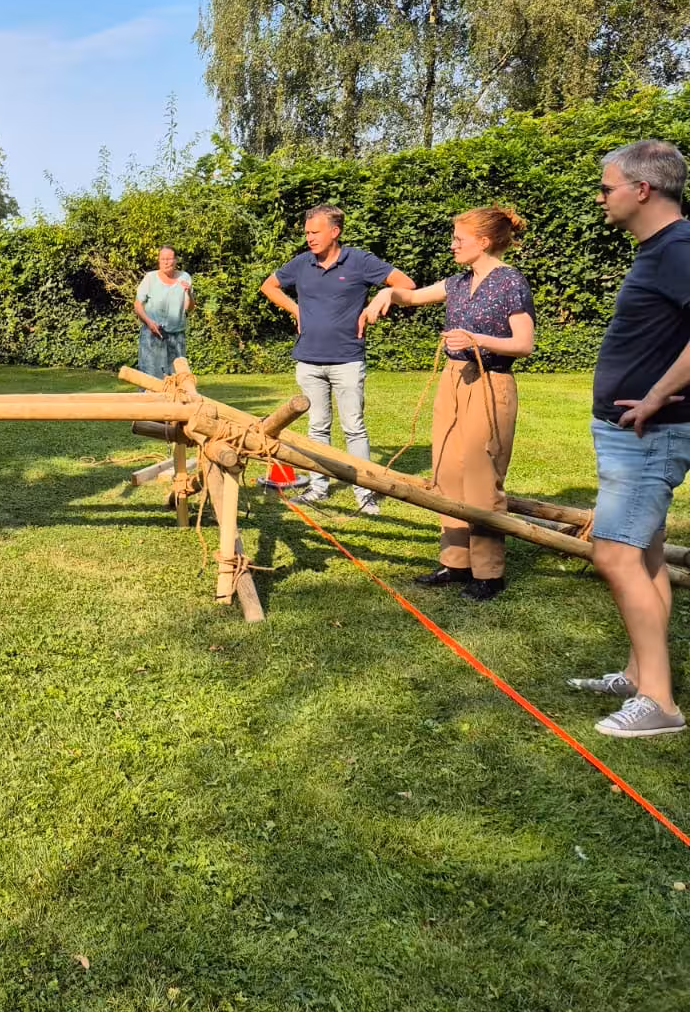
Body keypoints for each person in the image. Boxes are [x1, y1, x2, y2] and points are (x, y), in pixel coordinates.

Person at [568, 139, 690, 738]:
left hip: (650, 432)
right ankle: (642, 673)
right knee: (642, 553)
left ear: (643, 189)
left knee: (613, 551)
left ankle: (660, 704)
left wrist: (660, 393)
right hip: (633, 433)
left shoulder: (680, 248)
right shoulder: (661, 249)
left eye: (607, 186)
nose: (601, 197)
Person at [362, 206, 534, 600]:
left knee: (480, 474)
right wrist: (387, 293)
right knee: (447, 472)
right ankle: (455, 563)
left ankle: (489, 573)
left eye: (460, 238)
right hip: (453, 379)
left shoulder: (510, 282)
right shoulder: (458, 281)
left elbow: (524, 343)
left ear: (484, 241)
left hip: (490, 382)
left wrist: (478, 339)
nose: (453, 244)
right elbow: (413, 296)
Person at [260, 205, 415, 514]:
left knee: (354, 427)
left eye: (315, 232)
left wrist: (375, 304)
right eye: (306, 232)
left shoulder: (359, 261)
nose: (309, 238)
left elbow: (406, 284)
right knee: (317, 427)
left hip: (347, 358)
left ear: (335, 231)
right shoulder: (303, 263)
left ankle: (365, 493)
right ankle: (319, 487)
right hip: (308, 359)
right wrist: (296, 310)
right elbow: (269, 285)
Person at [134, 245, 193, 377]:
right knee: (150, 377)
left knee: (177, 377)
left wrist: (189, 293)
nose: (166, 262)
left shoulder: (185, 277)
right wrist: (149, 323)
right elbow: (138, 305)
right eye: (163, 259)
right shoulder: (150, 278)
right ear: (159, 261)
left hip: (177, 336)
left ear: (176, 260)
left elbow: (189, 308)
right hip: (153, 334)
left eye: (169, 258)